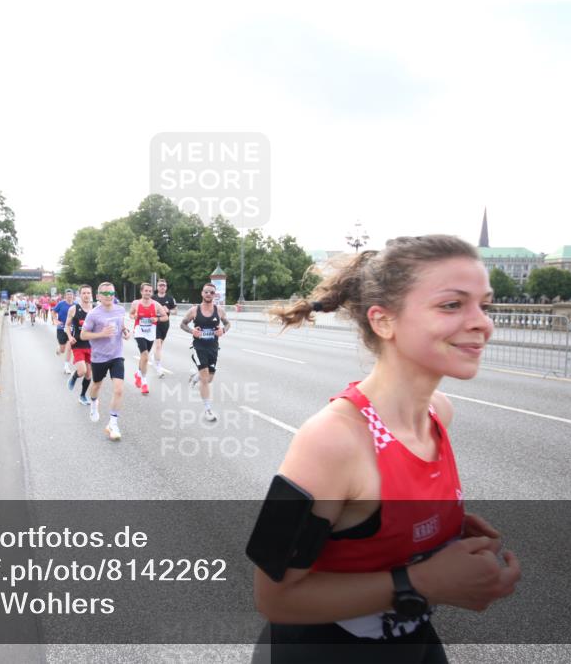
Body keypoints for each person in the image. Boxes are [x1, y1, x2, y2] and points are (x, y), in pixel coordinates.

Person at [252, 235, 520, 662]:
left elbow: (375, 529)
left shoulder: (439, 413)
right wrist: (425, 580)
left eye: (484, 305)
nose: (482, 323)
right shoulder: (331, 440)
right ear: (383, 321)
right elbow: (273, 598)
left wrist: (441, 533)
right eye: (452, 305)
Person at [80, 282, 130, 441]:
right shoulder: (93, 314)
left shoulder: (120, 309)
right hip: (99, 357)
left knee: (119, 389)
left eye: (111, 293)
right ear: (98, 296)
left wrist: (125, 331)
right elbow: (83, 335)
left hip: (116, 355)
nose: (109, 296)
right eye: (105, 293)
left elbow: (121, 325)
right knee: (96, 386)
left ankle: (113, 423)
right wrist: (101, 334)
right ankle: (94, 403)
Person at [179, 282, 230, 422]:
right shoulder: (194, 310)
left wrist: (223, 330)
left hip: (213, 347)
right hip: (199, 347)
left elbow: (227, 323)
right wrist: (192, 331)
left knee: (209, 378)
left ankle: (195, 377)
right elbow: (182, 324)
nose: (209, 294)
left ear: (215, 295)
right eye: (206, 292)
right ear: (202, 293)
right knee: (205, 378)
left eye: (212, 292)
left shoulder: (219, 310)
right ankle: (208, 410)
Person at [129, 283, 169, 395]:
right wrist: (134, 316)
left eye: (150, 291)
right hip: (139, 332)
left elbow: (165, 317)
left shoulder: (156, 304)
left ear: (152, 292)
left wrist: (157, 319)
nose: (148, 293)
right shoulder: (136, 303)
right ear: (141, 292)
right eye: (146, 290)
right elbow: (130, 314)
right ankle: (144, 382)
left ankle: (138, 373)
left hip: (151, 333)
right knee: (145, 356)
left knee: (143, 357)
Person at [65, 285, 95, 405]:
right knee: (82, 371)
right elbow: (67, 325)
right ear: (80, 295)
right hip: (77, 344)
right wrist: (70, 337)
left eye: (88, 293)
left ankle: (82, 396)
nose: (86, 295)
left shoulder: (95, 309)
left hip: (91, 345)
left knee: (88, 374)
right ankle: (74, 376)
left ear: (91, 294)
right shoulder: (73, 309)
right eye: (84, 293)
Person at [151, 278, 178, 378]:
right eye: (160, 285)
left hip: (165, 324)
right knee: (157, 345)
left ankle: (155, 357)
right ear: (157, 287)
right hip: (155, 323)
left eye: (164, 285)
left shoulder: (170, 298)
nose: (162, 287)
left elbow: (176, 311)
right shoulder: (153, 298)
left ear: (166, 287)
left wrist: (169, 311)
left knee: (160, 345)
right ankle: (159, 368)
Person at [53, 290, 76, 374]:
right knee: (63, 350)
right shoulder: (61, 304)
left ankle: (66, 367)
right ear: (65, 296)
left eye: (71, 294)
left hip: (72, 329)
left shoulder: (76, 305)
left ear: (73, 296)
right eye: (68, 295)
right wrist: (56, 320)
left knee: (69, 348)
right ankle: (59, 349)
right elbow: (53, 311)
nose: (69, 296)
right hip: (61, 328)